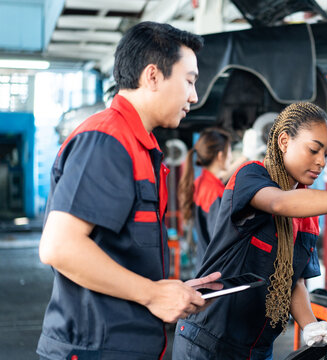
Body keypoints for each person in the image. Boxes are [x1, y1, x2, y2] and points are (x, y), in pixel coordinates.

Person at [172, 102, 327, 359]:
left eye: (326, 154)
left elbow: (294, 281)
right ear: (284, 141)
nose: (321, 161)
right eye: (313, 150)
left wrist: (310, 323)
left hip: (257, 349)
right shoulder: (251, 176)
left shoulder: (307, 217)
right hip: (208, 343)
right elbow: (280, 203)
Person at [37, 21, 220, 360]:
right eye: (190, 81)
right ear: (152, 76)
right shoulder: (107, 140)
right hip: (95, 348)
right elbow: (59, 247)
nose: (194, 96)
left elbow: (118, 251)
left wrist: (169, 289)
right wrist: (152, 294)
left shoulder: (138, 145)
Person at [178, 127, 233, 270]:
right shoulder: (214, 192)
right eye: (230, 152)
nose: (231, 157)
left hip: (204, 266)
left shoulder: (202, 182)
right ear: (220, 156)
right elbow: (221, 242)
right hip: (217, 273)